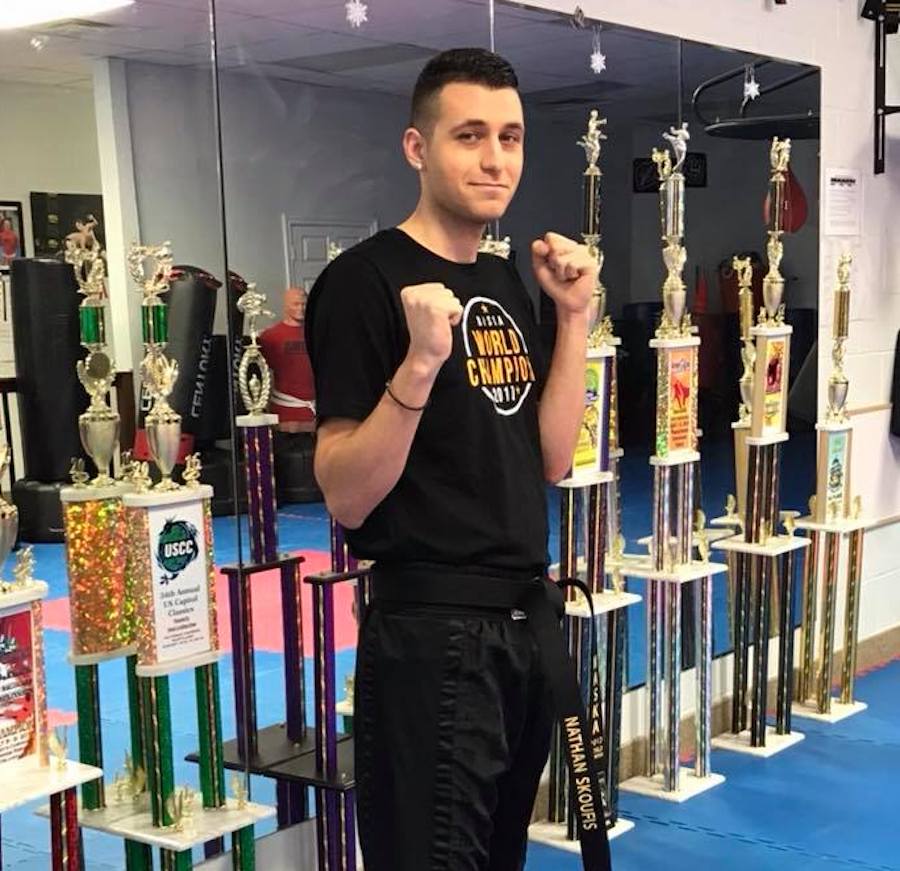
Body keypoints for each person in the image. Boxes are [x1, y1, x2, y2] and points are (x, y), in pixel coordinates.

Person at [306, 48, 602, 871]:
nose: (494, 158)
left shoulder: (504, 281)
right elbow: (345, 495)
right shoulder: (364, 283)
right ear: (417, 147)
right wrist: (419, 365)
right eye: (469, 135)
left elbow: (550, 458)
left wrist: (572, 316)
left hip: (522, 625)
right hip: (432, 636)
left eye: (510, 137)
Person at [259, 286, 316, 432]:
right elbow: (260, 379)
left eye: (304, 304)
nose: (301, 308)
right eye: (296, 304)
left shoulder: (318, 333)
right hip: (285, 415)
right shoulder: (270, 337)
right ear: (286, 305)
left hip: (317, 414)